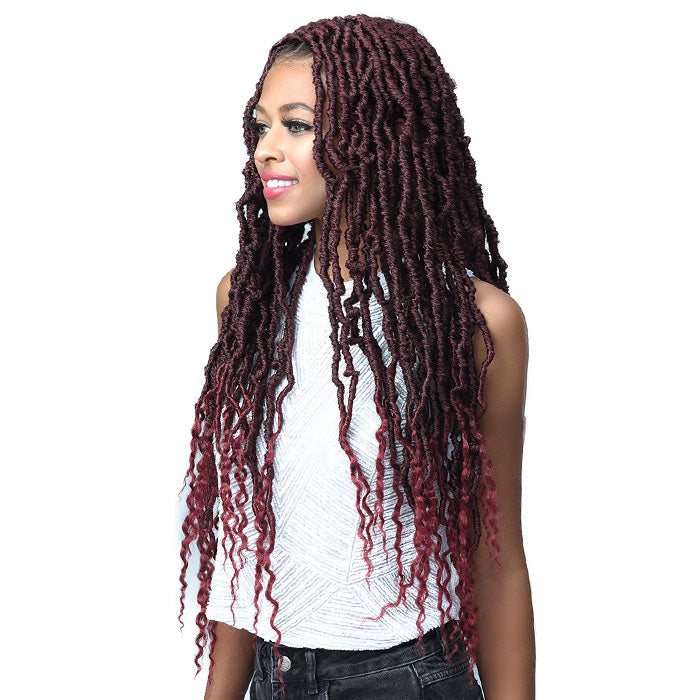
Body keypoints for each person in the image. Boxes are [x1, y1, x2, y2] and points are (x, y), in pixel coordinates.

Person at [179, 14, 535, 700]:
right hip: (277, 677)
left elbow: (496, 558)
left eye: (297, 126)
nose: (266, 150)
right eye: (260, 126)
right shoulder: (247, 304)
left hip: (407, 677)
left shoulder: (476, 322)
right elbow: (246, 544)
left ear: (380, 135)